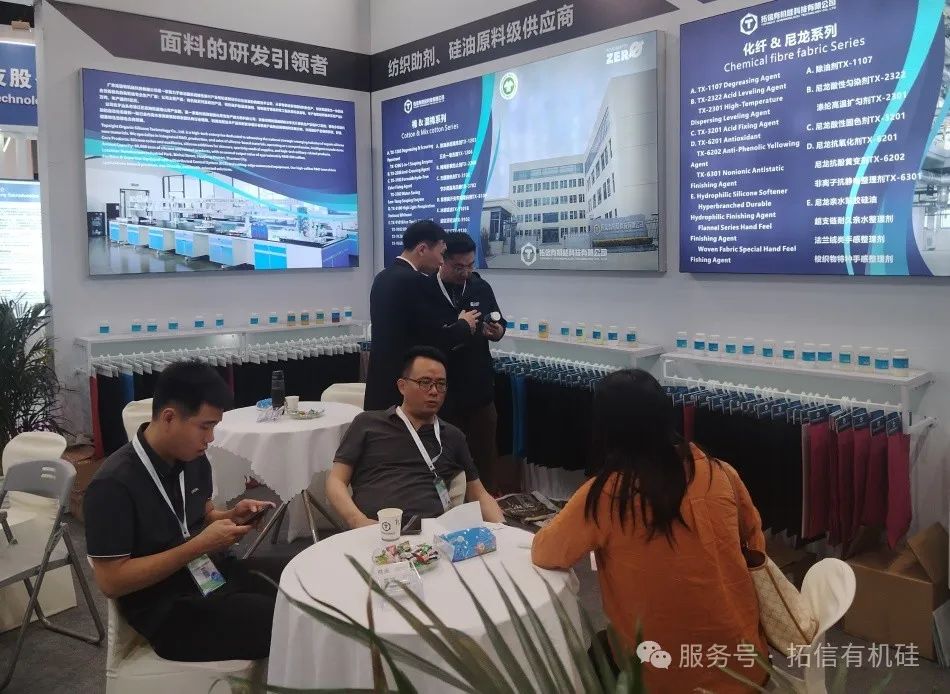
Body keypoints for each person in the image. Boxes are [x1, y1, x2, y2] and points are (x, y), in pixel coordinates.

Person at [531, 369, 767, 694]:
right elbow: (755, 543)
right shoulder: (719, 472)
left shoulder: (605, 496)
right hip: (746, 666)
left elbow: (546, 552)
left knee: (590, 656)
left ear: (605, 428)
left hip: (662, 677)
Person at [84, 361, 284, 662]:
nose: (211, 438)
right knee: (280, 620)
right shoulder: (112, 485)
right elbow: (111, 581)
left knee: (298, 579)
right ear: (169, 417)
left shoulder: (194, 459)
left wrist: (229, 517)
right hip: (166, 607)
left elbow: (201, 516)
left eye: (214, 427)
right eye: (205, 426)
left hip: (211, 574)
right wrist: (198, 546)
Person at [328, 346, 504, 527]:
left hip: (431, 532)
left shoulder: (452, 436)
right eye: (425, 382)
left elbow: (479, 494)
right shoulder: (367, 424)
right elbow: (336, 481)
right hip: (373, 528)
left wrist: (503, 529)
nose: (434, 391)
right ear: (402, 386)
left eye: (441, 384)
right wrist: (357, 520)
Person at [364, 220, 480, 411]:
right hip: (405, 387)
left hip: (380, 383)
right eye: (441, 254)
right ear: (422, 249)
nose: (442, 261)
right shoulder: (417, 282)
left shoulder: (382, 277)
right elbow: (433, 339)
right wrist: (464, 325)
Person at [429, 232, 513, 494]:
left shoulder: (480, 286)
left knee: (485, 456)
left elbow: (499, 321)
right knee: (443, 457)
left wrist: (497, 331)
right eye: (458, 267)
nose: (465, 272)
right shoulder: (425, 289)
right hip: (441, 390)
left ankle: (488, 507)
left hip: (479, 387)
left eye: (470, 265)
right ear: (442, 261)